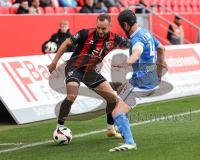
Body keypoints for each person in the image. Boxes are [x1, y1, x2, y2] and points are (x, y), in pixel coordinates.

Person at [47, 14, 132, 151]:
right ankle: (59, 126)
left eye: (103, 28)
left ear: (109, 26)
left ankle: (110, 128)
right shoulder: (85, 33)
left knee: (112, 99)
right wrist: (54, 62)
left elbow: (130, 43)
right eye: (98, 27)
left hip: (90, 72)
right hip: (74, 68)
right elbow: (66, 43)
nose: (100, 30)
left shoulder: (114, 38)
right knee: (71, 96)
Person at [107, 9, 166, 152]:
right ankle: (121, 130)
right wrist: (159, 73)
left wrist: (125, 63)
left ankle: (130, 142)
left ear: (126, 25)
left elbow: (137, 52)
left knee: (117, 113)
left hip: (142, 83)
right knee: (120, 97)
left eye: (122, 26)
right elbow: (161, 48)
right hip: (144, 79)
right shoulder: (146, 32)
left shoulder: (136, 39)